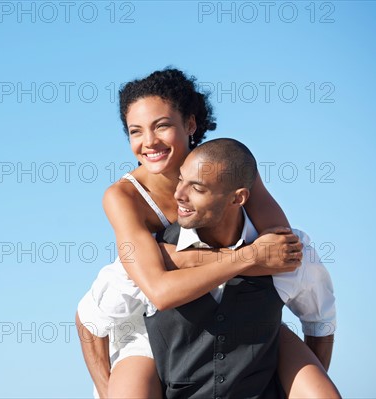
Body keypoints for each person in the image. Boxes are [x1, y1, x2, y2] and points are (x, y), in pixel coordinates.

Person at [75, 68, 339, 398]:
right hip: (158, 319)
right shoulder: (124, 197)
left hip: (242, 308)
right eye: (135, 131)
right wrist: (247, 255)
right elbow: (157, 287)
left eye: (162, 125)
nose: (149, 141)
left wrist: (173, 258)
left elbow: (280, 252)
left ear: (190, 123)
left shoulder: (226, 168)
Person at [144, 138, 336, 397]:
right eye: (180, 179)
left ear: (238, 198)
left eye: (197, 188)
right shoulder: (151, 253)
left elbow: (320, 323)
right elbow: (91, 319)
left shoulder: (289, 250)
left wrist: (298, 384)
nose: (178, 194)